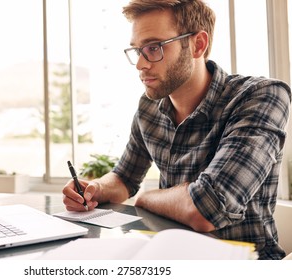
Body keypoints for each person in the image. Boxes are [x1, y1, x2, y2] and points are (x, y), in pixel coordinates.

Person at [62, 0, 291, 260]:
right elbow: (125, 178)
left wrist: (147, 198)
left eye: (153, 48)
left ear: (198, 44)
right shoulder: (149, 106)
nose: (140, 65)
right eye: (137, 50)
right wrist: (94, 189)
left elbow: (207, 209)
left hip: (244, 266)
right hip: (171, 258)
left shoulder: (261, 96)